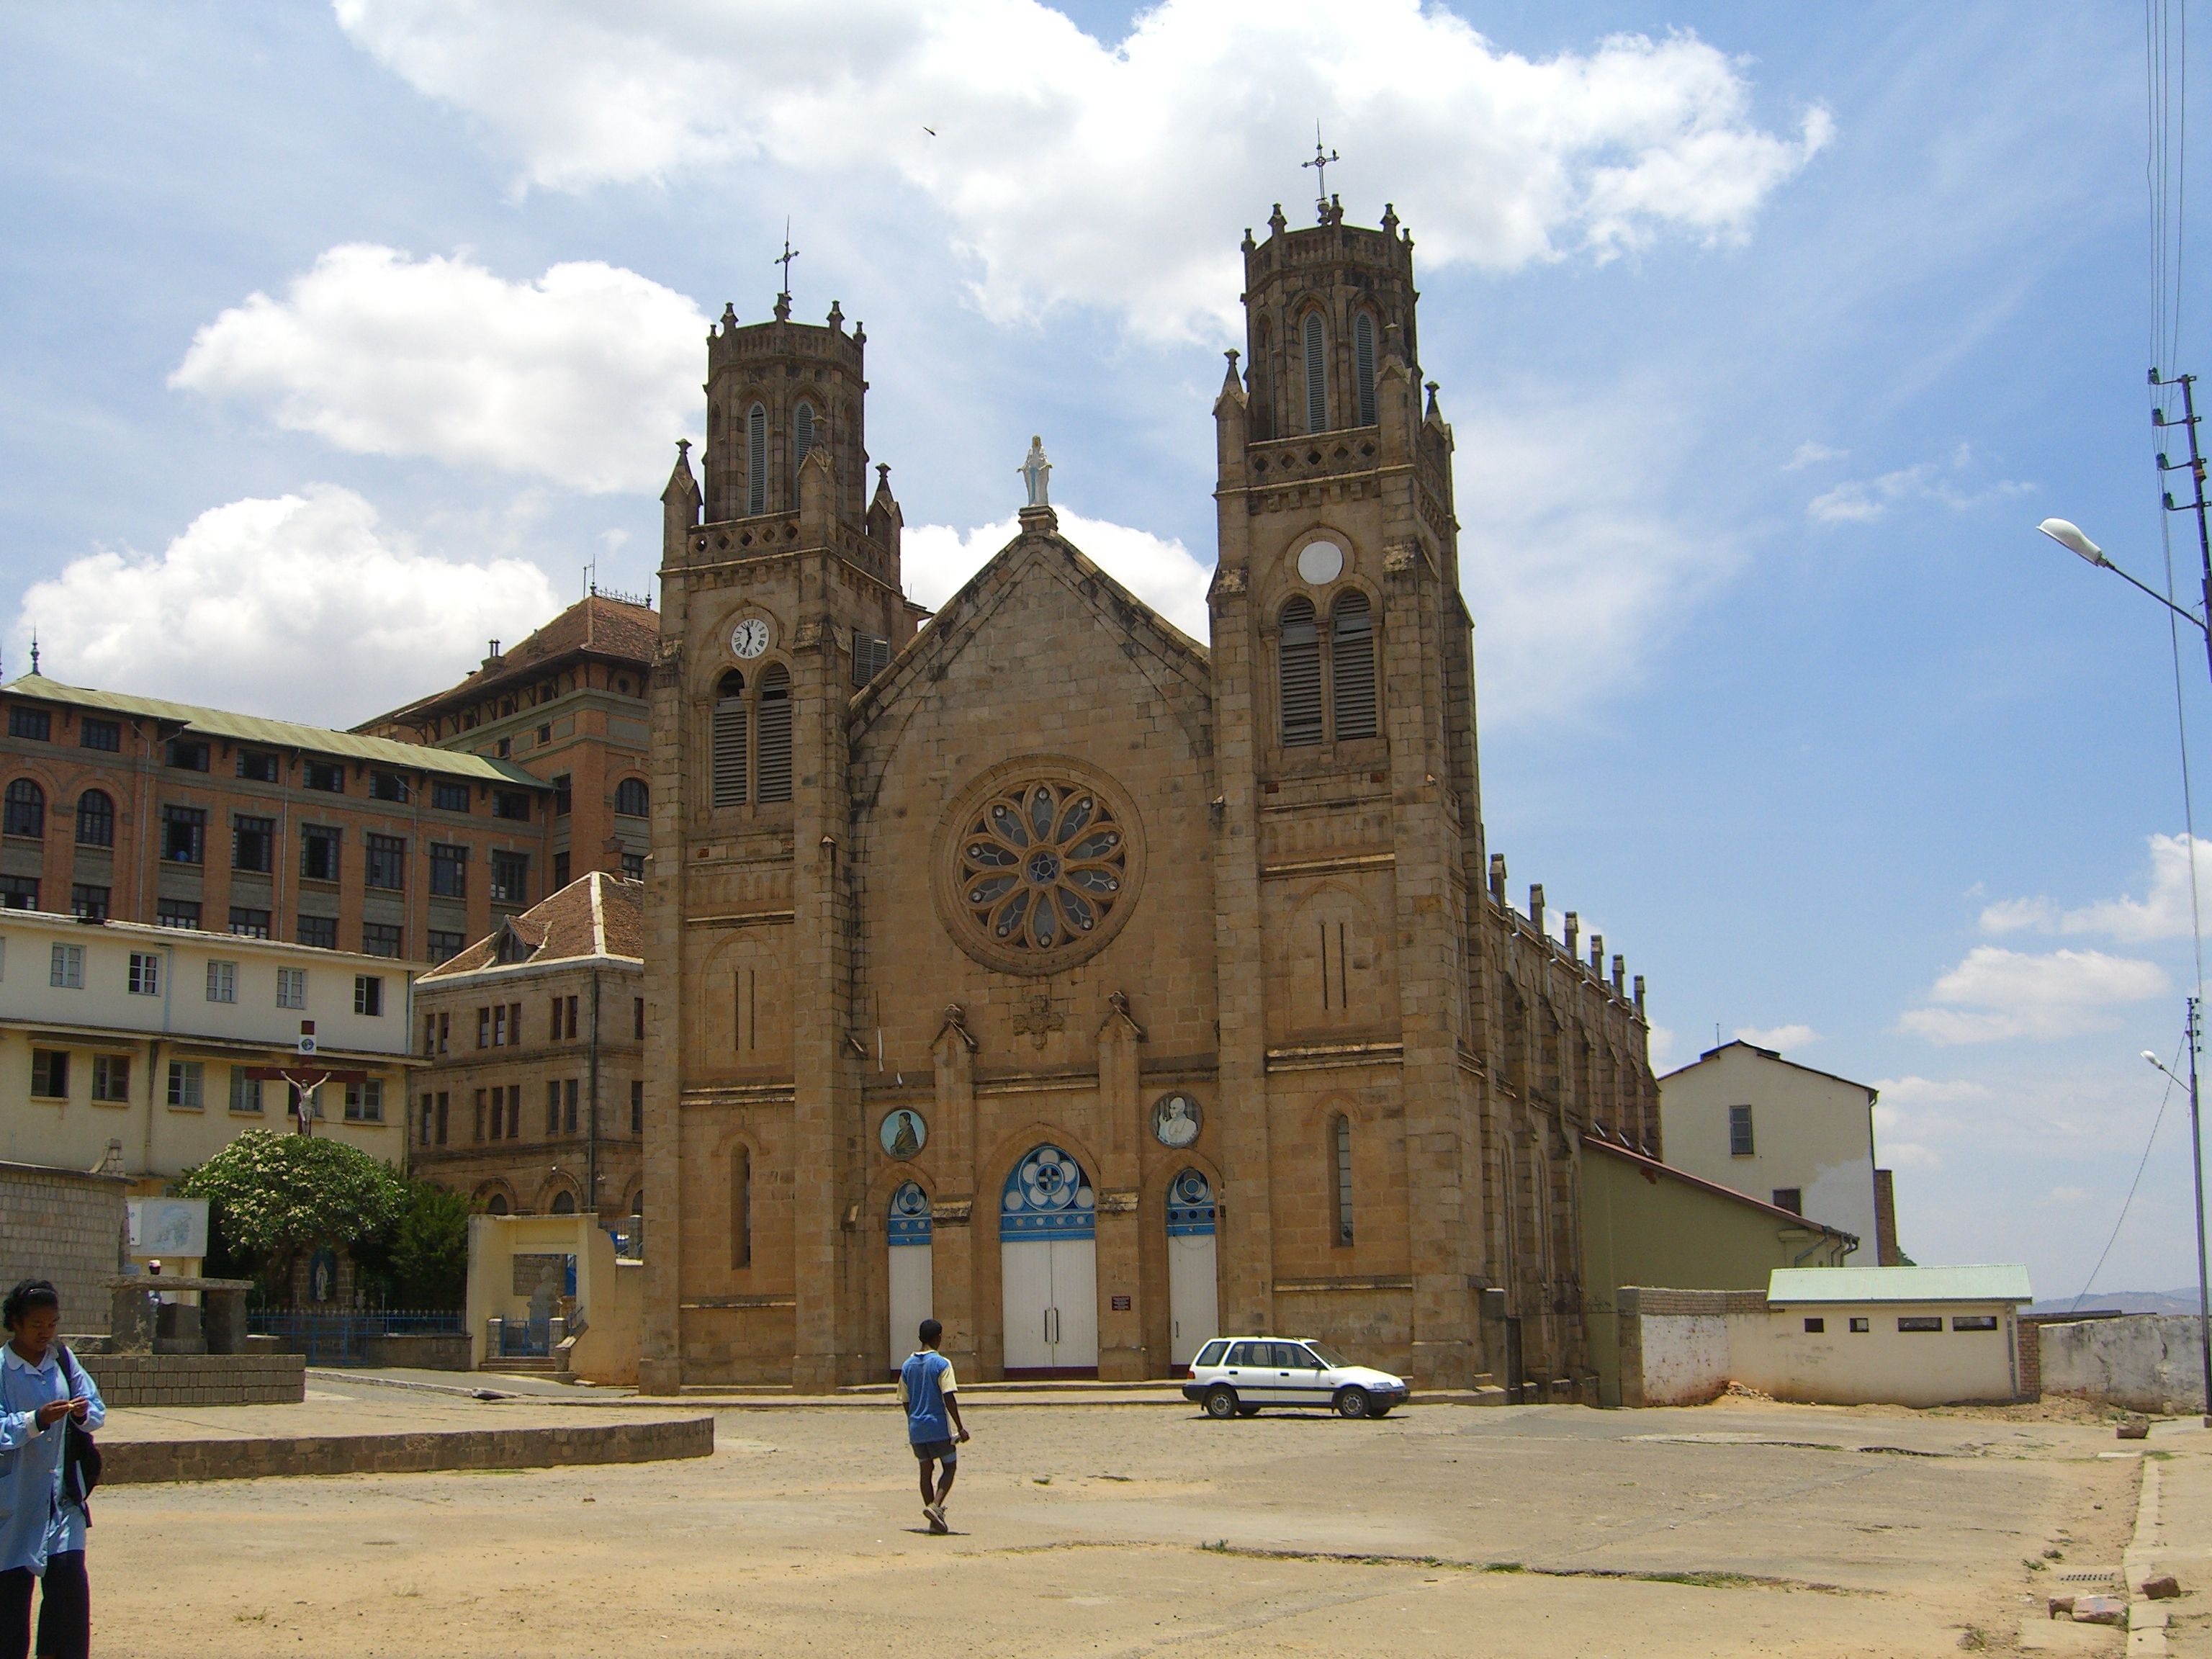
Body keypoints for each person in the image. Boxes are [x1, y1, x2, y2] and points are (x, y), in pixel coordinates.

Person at [1, 1279, 103, 1659]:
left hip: (62, 1501)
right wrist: (35, 1420)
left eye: (52, 1324)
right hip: (12, 1506)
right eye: (37, 1325)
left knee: (68, 1595)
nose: (46, 1333)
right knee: (10, 1604)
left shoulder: (63, 1359)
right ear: (15, 1323)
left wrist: (81, 1414)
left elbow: (96, 1410)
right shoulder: (1, 1369)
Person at [897, 1318, 968, 1534]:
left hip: (916, 1428)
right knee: (950, 1466)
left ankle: (934, 1520)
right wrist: (960, 1427)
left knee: (926, 1470)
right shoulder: (942, 1364)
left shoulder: (907, 1366)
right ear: (938, 1338)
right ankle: (935, 1506)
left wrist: (913, 1420)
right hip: (937, 1426)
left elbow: (905, 1400)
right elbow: (949, 1396)